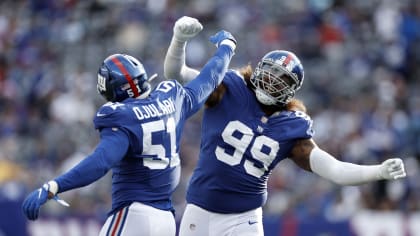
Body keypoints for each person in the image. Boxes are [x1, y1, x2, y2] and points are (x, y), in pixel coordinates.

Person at [164, 16, 407, 236]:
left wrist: (378, 172)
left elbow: (334, 170)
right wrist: (179, 41)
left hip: (243, 218)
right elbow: (177, 74)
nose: (273, 83)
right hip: (200, 208)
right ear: (259, 70)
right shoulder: (230, 87)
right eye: (271, 73)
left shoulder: (292, 125)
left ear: (292, 89)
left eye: (283, 80)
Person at [21, 28, 237, 236]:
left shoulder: (122, 115)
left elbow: (101, 161)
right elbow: (209, 79)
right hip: (166, 221)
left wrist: (54, 186)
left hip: (134, 215)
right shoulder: (171, 98)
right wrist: (226, 47)